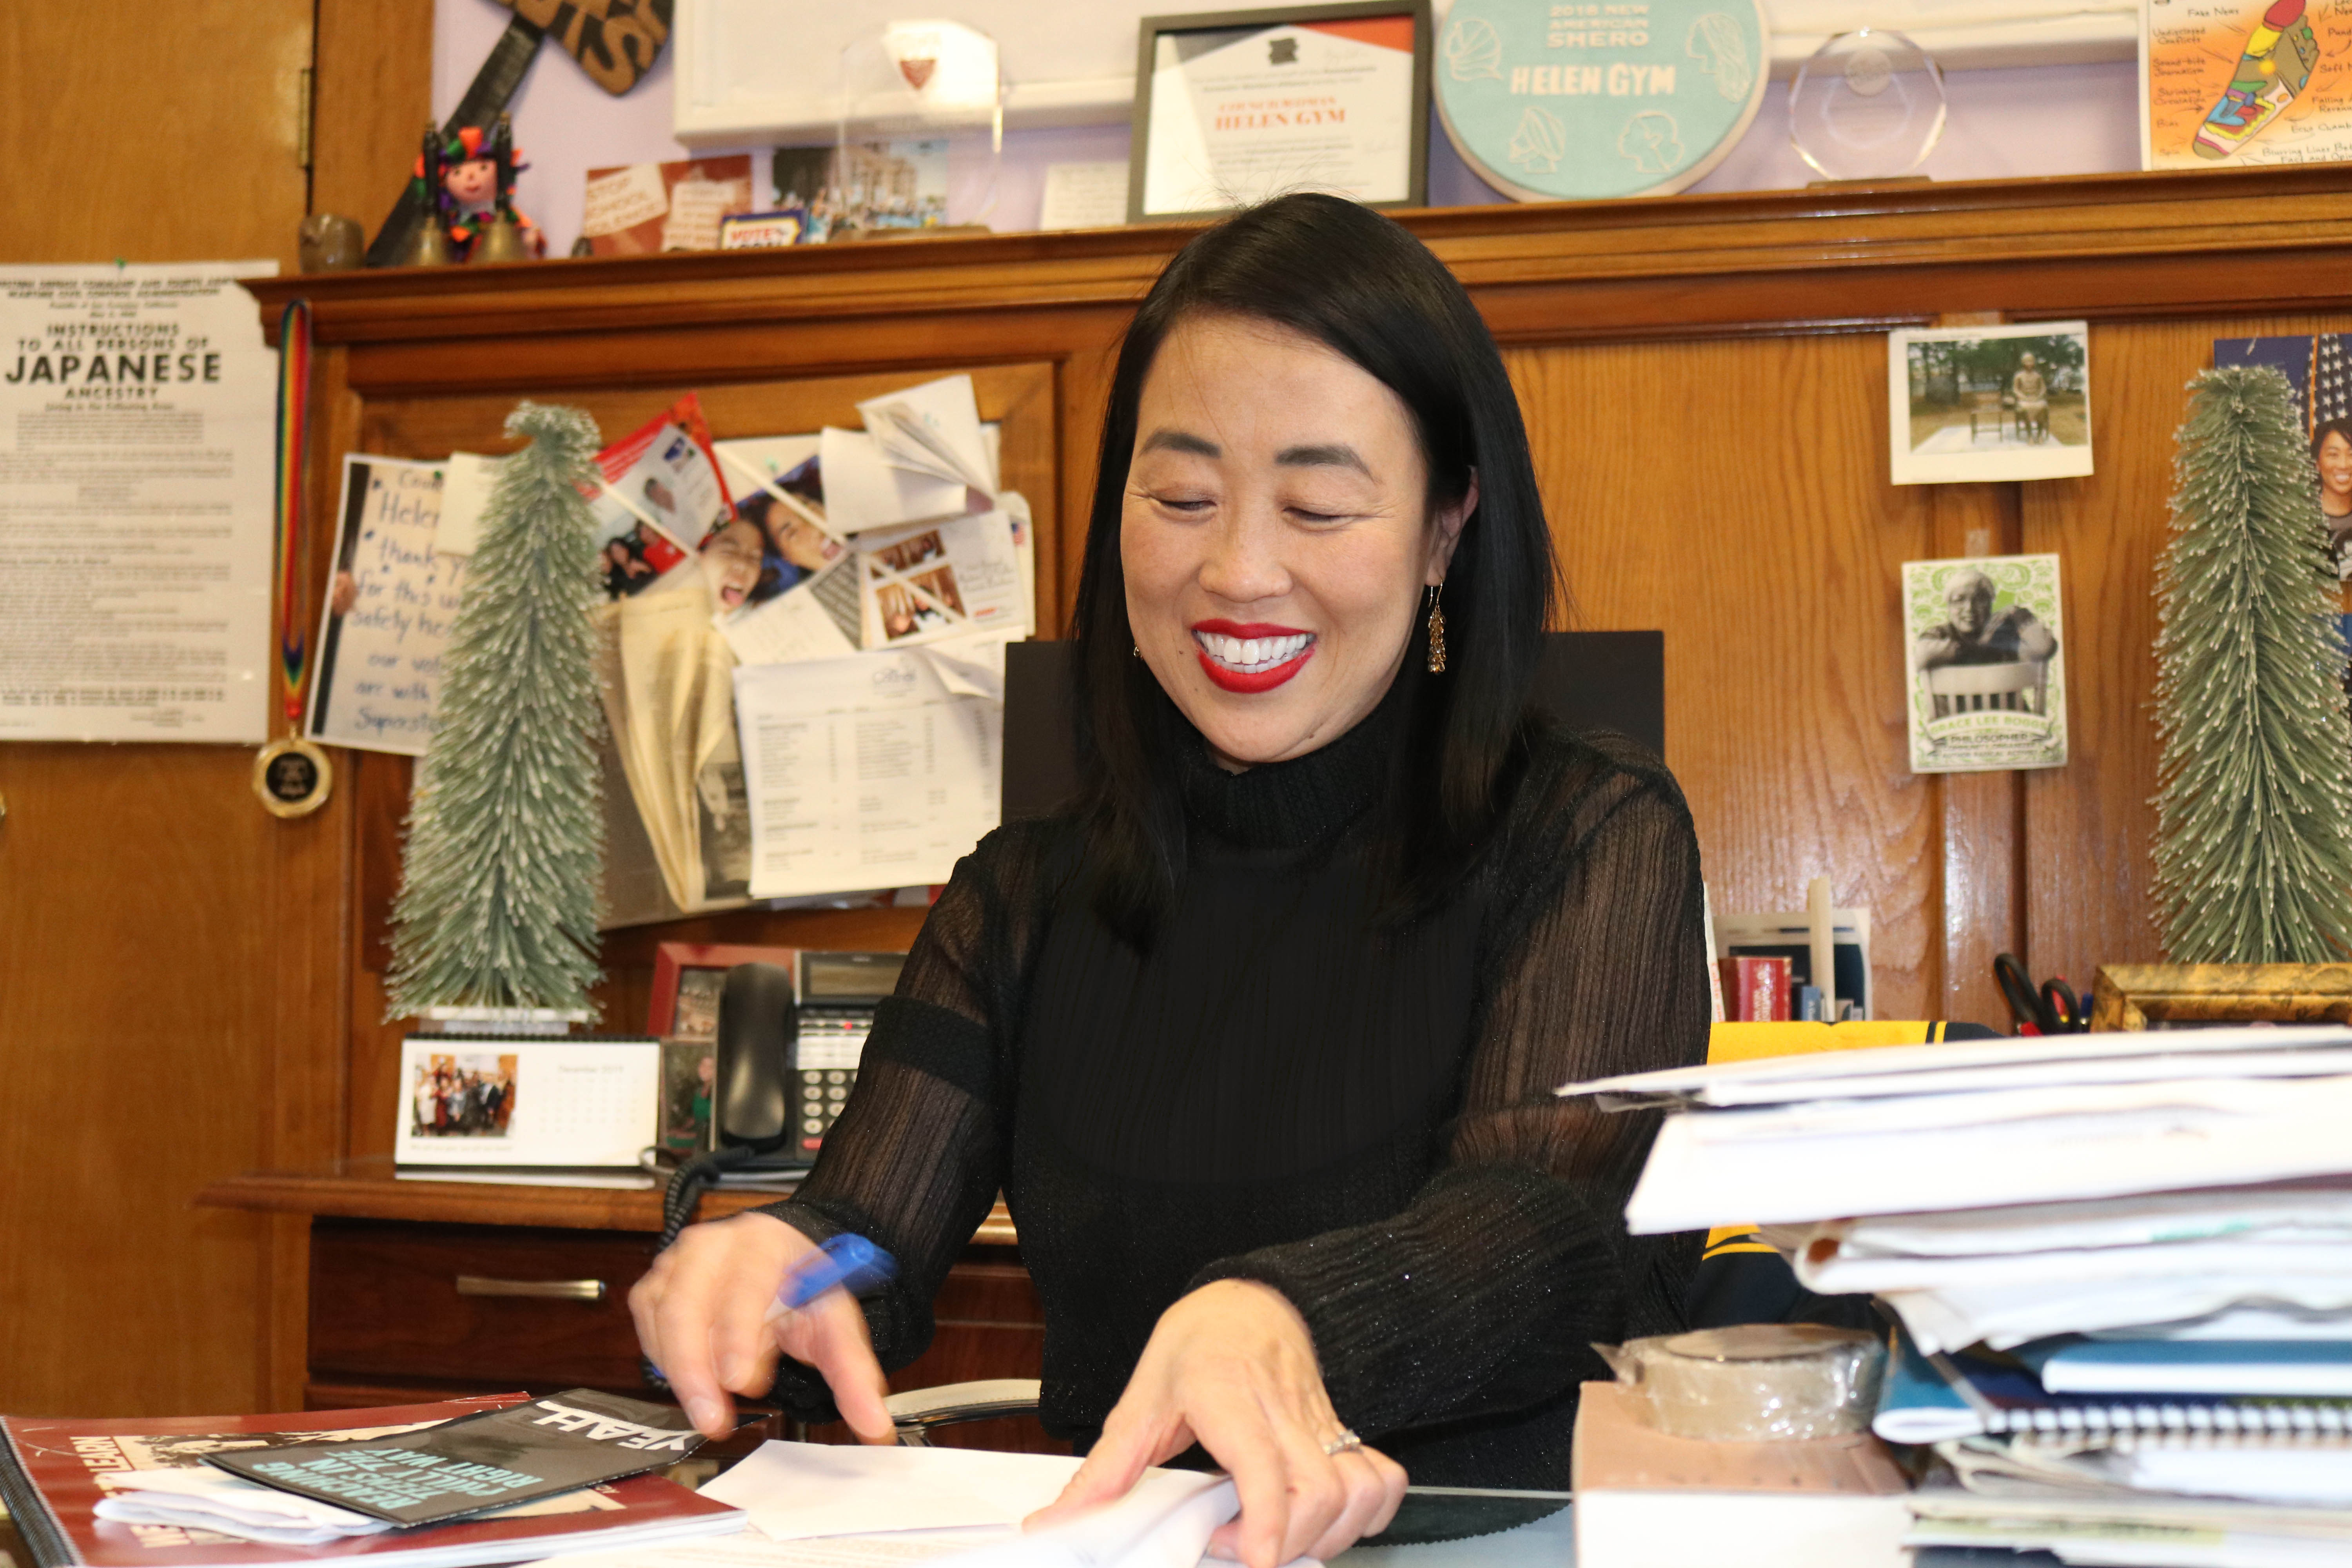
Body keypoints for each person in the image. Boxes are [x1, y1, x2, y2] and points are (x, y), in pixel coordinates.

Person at [629, 193, 1709, 1567]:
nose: (1237, 569)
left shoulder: (1588, 827)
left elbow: (1547, 1226)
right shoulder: (1023, 894)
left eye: (1318, 503)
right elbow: (870, 1235)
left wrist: (1288, 1312)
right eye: (1181, 497)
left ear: (1446, 531)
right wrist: (776, 1266)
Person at [1915, 569, 2056, 670]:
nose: (1969, 608)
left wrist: (2018, 613)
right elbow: (1921, 656)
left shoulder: (2004, 635)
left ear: (1990, 605)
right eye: (1959, 600)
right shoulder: (1940, 634)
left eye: (1979, 600)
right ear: (1949, 606)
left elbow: (2043, 648)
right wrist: (1980, 650)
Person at [2310, 418, 2352, 577]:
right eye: (2333, 455)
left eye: (2351, 454)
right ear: (2317, 464)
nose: (2343, 465)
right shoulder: (2298, 522)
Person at [2010, 352, 2050, 443]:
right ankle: (2030, 436)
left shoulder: (2038, 375)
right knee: (2026, 409)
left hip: (2036, 399)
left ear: (2034, 362)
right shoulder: (2019, 376)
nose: (2029, 363)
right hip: (2024, 400)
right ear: (2023, 363)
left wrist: (2039, 396)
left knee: (2043, 407)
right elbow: (2016, 390)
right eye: (2027, 361)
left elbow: (2043, 388)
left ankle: (2040, 435)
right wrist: (2023, 397)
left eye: (2031, 361)